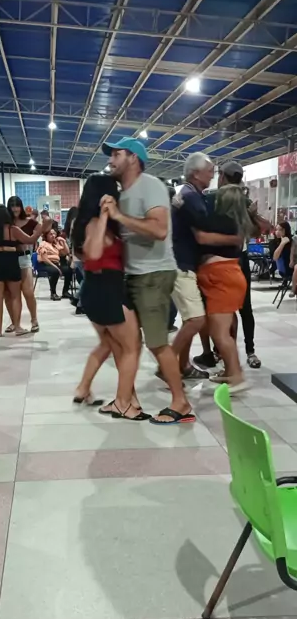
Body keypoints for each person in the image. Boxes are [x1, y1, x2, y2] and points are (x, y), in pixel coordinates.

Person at [102, 136, 195, 425]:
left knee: (156, 342)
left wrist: (119, 216)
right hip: (133, 275)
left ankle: (181, 402)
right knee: (125, 341)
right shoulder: (123, 194)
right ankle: (126, 400)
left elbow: (159, 229)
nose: (110, 160)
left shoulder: (150, 185)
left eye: (116, 154)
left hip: (153, 274)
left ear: (133, 157)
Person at [72, 174, 149, 420]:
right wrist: (105, 215)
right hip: (106, 289)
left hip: (98, 288)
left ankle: (124, 399)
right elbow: (93, 253)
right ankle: (123, 403)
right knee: (132, 347)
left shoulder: (92, 222)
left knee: (115, 346)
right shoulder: (95, 222)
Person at [171, 154, 243, 379]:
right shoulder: (191, 198)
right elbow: (201, 236)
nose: (214, 175)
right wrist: (234, 239)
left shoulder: (194, 197)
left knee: (202, 323)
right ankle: (173, 365)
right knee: (197, 321)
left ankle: (181, 365)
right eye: (210, 170)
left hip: (215, 274)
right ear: (195, 173)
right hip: (188, 268)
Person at [206, 161, 267, 370]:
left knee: (234, 309)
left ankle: (240, 351)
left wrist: (251, 215)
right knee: (230, 309)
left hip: (227, 260)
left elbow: (257, 231)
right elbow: (258, 231)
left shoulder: (223, 200)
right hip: (226, 259)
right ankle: (227, 351)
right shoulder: (216, 199)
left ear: (222, 176)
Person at [195, 185, 251, 394]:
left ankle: (237, 376)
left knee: (219, 333)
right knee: (222, 331)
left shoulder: (224, 221)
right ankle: (230, 371)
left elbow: (201, 235)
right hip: (223, 278)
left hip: (222, 280)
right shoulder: (234, 222)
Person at [0, 204, 42, 337]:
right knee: (15, 296)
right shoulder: (13, 229)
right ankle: (17, 327)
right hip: (11, 261)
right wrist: (41, 230)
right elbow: (30, 240)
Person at [6, 196, 42, 333]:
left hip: (24, 258)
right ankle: (14, 322)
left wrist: (33, 239)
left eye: (17, 205)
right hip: (9, 260)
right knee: (9, 294)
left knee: (28, 292)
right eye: (12, 206)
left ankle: (34, 319)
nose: (15, 209)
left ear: (21, 207)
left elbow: (42, 228)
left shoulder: (30, 222)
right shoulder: (6, 223)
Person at [37, 229, 73, 300]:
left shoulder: (55, 244)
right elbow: (44, 258)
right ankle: (53, 293)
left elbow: (66, 252)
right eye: (51, 234)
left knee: (68, 270)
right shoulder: (44, 244)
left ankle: (65, 291)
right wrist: (57, 268)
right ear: (46, 236)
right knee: (55, 271)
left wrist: (63, 242)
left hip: (56, 264)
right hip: (46, 263)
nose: (53, 236)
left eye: (54, 234)